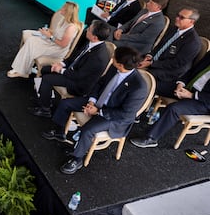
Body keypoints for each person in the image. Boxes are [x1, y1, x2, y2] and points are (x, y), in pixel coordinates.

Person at [43, 46, 147, 174]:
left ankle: (77, 159)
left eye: (113, 58)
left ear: (120, 65)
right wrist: (92, 101)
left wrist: (97, 112)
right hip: (98, 103)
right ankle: (59, 132)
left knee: (88, 129)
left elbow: (125, 114)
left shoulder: (139, 87)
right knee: (65, 104)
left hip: (114, 117)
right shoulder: (115, 68)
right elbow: (100, 83)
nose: (111, 58)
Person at [29, 20, 112, 118]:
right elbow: (74, 57)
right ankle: (46, 99)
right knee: (45, 69)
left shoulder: (98, 57)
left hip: (79, 84)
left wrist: (60, 70)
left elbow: (79, 76)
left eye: (89, 29)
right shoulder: (91, 42)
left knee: (47, 79)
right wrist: (61, 64)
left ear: (95, 37)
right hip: (72, 71)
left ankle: (45, 109)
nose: (86, 30)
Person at [131, 51, 210, 148]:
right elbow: (193, 71)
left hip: (204, 101)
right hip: (189, 88)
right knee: (154, 85)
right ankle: (132, 113)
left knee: (173, 109)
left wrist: (192, 95)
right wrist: (181, 84)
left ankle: (150, 138)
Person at [138, 7, 201, 97]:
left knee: (142, 77)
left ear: (191, 21)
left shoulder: (193, 42)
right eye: (177, 15)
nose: (177, 18)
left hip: (171, 71)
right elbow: (160, 46)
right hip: (156, 61)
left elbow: (176, 63)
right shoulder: (174, 29)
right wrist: (150, 56)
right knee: (129, 59)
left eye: (181, 17)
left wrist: (151, 63)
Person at [7, 1, 80, 78]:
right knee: (32, 40)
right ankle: (23, 69)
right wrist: (47, 32)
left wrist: (50, 36)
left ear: (68, 12)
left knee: (31, 43)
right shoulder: (64, 19)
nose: (61, 9)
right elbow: (57, 33)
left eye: (63, 8)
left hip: (58, 49)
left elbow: (63, 44)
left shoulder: (71, 28)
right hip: (53, 42)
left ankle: (22, 71)